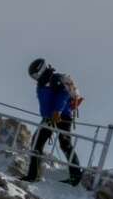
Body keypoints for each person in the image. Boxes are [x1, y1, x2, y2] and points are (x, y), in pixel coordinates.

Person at [23, 57, 83, 185]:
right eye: (33, 76)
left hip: (62, 116)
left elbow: (64, 94)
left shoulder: (55, 78)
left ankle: (76, 175)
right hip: (48, 118)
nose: (35, 77)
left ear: (40, 70)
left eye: (35, 74)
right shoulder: (43, 83)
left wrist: (58, 111)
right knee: (36, 144)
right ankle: (33, 175)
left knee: (65, 144)